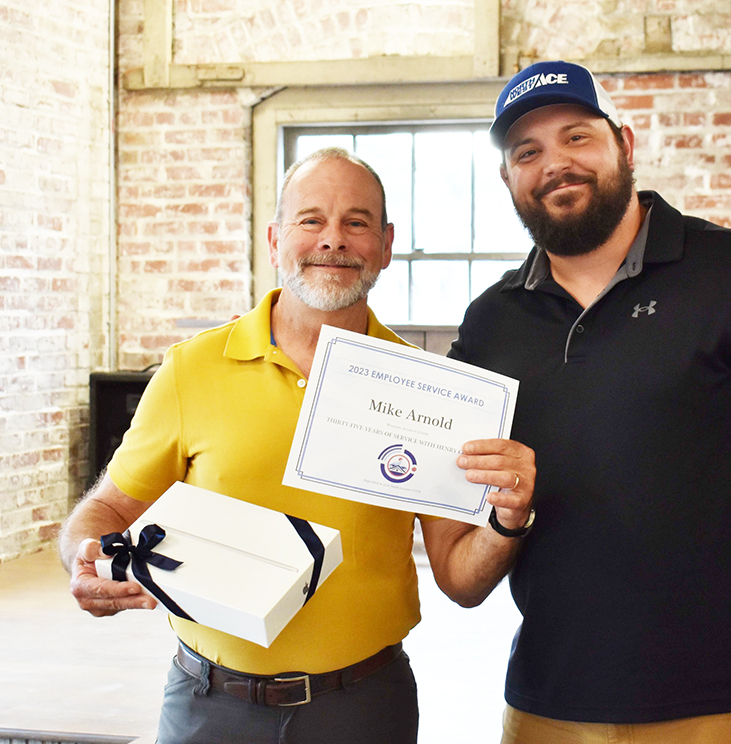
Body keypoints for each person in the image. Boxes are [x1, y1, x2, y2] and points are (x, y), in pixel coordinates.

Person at [447, 61, 731, 744]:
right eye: (527, 152)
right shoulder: (489, 322)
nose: (554, 163)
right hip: (546, 708)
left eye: (577, 138)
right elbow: (462, 556)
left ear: (623, 144)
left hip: (728, 708)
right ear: (508, 180)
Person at [59, 147, 535, 744]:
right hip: (209, 706)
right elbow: (103, 511)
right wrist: (83, 559)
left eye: (356, 222)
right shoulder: (191, 370)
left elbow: (461, 584)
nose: (333, 240)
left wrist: (507, 521)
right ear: (275, 238)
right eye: (311, 219)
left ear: (386, 245)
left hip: (365, 708)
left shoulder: (428, 392)